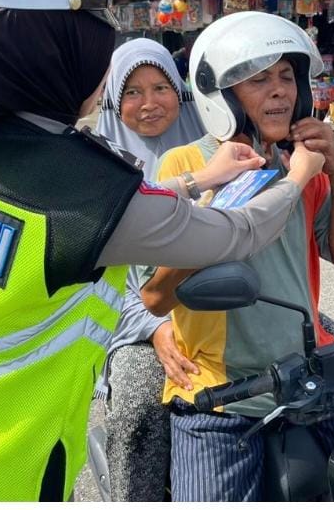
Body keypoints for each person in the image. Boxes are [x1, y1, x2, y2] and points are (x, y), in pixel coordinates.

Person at [0, 0, 327, 502]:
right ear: (52, 57)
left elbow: (113, 216)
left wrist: (200, 179)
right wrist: (298, 176)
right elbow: (237, 234)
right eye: (94, 45)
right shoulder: (86, 189)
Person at [138, 10, 334, 502]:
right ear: (222, 96)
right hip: (217, 398)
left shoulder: (305, 166)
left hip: (306, 380)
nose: (280, 91)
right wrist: (221, 191)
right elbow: (154, 296)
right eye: (259, 80)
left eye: (287, 76)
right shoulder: (186, 166)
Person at [93, 38, 205, 501]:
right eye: (132, 93)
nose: (149, 103)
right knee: (140, 405)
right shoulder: (96, 166)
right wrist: (156, 327)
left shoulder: (216, 148)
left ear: (180, 92)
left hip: (224, 308)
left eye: (160, 87)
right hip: (138, 323)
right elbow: (97, 282)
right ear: (114, 101)